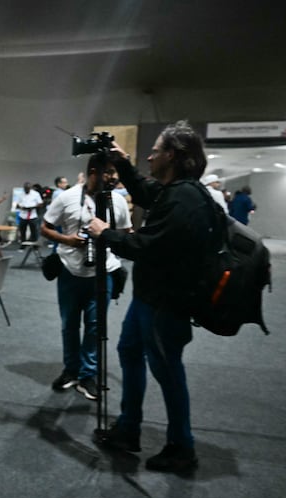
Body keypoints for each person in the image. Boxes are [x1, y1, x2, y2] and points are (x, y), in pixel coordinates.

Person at [88, 120, 213, 473]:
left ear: (172, 155)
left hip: (165, 304)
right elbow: (145, 192)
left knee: (168, 370)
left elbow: (148, 246)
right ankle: (129, 427)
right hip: (149, 299)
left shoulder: (185, 199)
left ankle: (182, 447)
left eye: (155, 151)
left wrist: (106, 233)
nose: (150, 156)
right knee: (130, 352)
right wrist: (123, 163)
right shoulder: (176, 191)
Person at [42, 152, 131, 401]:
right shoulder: (67, 197)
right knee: (69, 325)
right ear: (93, 172)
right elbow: (45, 227)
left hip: (103, 273)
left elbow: (125, 234)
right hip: (70, 272)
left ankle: (88, 374)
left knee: (95, 327)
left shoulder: (118, 201)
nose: (114, 177)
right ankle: (71, 370)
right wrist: (67, 239)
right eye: (109, 172)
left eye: (115, 173)